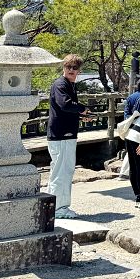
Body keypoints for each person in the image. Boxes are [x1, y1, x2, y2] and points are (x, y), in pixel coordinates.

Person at [45, 54, 89, 219]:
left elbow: (66, 109)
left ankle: (53, 206)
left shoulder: (69, 85)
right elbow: (65, 104)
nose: (71, 70)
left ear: (79, 70)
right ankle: (60, 208)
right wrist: (82, 109)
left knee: (59, 171)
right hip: (62, 134)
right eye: (68, 67)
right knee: (63, 172)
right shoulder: (60, 84)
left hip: (63, 133)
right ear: (63, 67)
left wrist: (80, 114)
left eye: (74, 68)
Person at [118, 76, 140, 179]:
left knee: (131, 152)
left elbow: (127, 114)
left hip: (129, 127)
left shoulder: (131, 97)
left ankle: (123, 173)